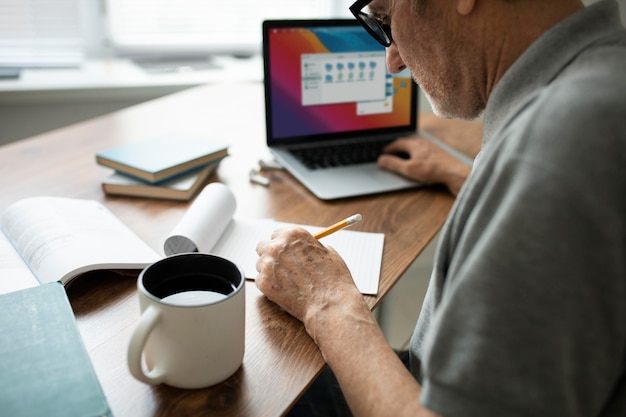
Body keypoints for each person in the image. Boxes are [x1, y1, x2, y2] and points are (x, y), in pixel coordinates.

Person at [255, 0, 626, 415]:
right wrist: (472, 178)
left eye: (384, 18)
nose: (392, 61)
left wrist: (328, 301)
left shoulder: (557, 147)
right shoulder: (603, 78)